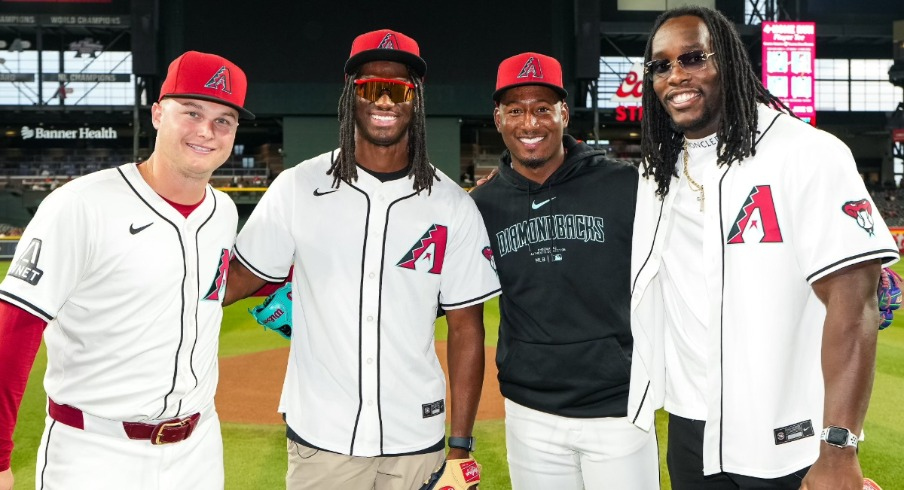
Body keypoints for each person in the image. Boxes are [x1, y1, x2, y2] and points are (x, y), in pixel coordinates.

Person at [633, 6, 899, 490]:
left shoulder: (806, 152)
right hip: (693, 432)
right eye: (661, 64)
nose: (676, 76)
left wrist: (838, 450)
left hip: (789, 436)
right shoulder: (658, 173)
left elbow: (855, 304)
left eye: (693, 58)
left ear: (730, 63)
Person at [222, 29, 500, 490]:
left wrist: (461, 446)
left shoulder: (452, 204)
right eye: (371, 87)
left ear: (417, 98)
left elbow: (467, 327)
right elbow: (232, 283)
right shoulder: (297, 187)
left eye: (398, 89)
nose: (384, 100)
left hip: (417, 437)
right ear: (351, 94)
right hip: (321, 438)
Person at [0, 50, 254, 490]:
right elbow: (14, 330)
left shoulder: (224, 212)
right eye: (191, 112)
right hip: (94, 452)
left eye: (222, 120)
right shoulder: (80, 204)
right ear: (157, 114)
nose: (205, 131)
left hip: (199, 450)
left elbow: (195, 288)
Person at [468, 52, 660, 489]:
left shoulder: (624, 186)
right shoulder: (481, 207)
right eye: (515, 110)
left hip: (619, 409)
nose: (529, 123)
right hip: (529, 413)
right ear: (498, 118)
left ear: (564, 114)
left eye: (542, 109)